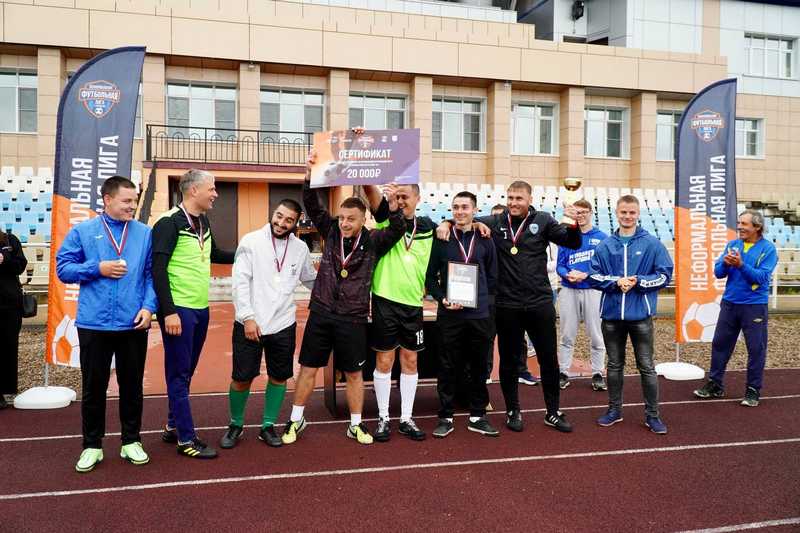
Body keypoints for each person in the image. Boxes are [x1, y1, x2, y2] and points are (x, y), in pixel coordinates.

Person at [281, 150, 405, 446]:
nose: (345, 223)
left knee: (353, 373)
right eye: (342, 218)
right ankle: (296, 419)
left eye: (351, 219)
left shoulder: (375, 242)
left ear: (364, 220)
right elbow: (313, 204)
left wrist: (392, 204)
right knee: (308, 368)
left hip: (353, 317)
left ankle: (356, 424)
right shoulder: (331, 231)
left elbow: (398, 228)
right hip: (322, 312)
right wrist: (309, 176)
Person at [438, 181, 581, 433]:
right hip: (507, 305)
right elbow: (463, 217)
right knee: (508, 361)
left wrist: (573, 222)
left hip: (539, 302)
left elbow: (572, 243)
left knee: (548, 359)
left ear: (529, 199)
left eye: (519, 198)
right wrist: (446, 223)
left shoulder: (544, 220)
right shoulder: (495, 221)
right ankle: (513, 410)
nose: (513, 203)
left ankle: (552, 412)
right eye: (510, 197)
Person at [56, 176, 157, 472]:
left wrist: (149, 307)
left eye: (134, 200)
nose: (132, 206)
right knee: (93, 388)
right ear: (108, 200)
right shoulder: (83, 231)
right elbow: (63, 269)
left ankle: (131, 441)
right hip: (94, 323)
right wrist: (96, 268)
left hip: (132, 324)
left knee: (132, 386)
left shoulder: (144, 233)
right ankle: (92, 445)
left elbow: (151, 275)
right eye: (127, 201)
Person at [219, 199, 317, 449]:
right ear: (273, 213)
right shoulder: (251, 241)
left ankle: (267, 426)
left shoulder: (300, 248)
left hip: (283, 324)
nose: (281, 223)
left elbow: (309, 279)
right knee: (241, 378)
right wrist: (248, 317)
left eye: (288, 220)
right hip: (250, 323)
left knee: (279, 377)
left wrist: (336, 288)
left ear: (296, 223)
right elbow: (240, 282)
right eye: (279, 216)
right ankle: (236, 424)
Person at [152, 169, 234, 459]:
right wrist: (168, 312)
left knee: (186, 371)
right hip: (179, 310)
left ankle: (173, 425)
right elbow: (157, 270)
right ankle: (186, 439)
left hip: (201, 308)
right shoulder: (168, 222)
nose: (215, 194)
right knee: (178, 373)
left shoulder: (203, 221)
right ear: (193, 190)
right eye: (211, 189)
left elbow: (215, 254)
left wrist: (250, 251)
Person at [589, 195, 672, 434]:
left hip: (641, 317)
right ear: (617, 213)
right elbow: (593, 276)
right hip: (612, 317)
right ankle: (614, 410)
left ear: (638, 214)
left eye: (632, 212)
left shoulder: (652, 244)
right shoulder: (605, 245)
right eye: (623, 212)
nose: (627, 216)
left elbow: (664, 275)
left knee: (646, 366)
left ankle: (652, 415)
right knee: (614, 365)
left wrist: (639, 281)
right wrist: (616, 282)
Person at [364, 181, 435, 443]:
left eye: (405, 196)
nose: (401, 200)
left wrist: (450, 223)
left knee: (411, 361)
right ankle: (383, 417)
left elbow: (459, 224)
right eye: (398, 196)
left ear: (418, 199)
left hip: (413, 303)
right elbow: (371, 194)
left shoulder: (428, 226)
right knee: (384, 361)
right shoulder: (387, 217)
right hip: (385, 299)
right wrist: (369, 177)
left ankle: (406, 418)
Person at [426, 191, 499, 438]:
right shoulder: (442, 238)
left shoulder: (485, 238)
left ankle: (477, 415)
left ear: (475, 210)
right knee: (447, 366)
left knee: (479, 367)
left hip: (479, 315)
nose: (460, 211)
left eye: (465, 207)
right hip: (450, 315)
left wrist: (483, 304)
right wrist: (442, 299)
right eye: (455, 207)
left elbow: (493, 276)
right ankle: (445, 416)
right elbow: (430, 278)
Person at [693, 210, 777, 407]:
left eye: (744, 224)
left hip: (754, 306)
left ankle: (753, 389)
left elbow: (761, 278)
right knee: (720, 344)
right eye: (739, 223)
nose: (739, 227)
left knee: (756, 349)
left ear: (757, 227)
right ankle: (715, 384)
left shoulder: (769, 249)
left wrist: (740, 265)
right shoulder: (733, 244)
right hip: (730, 303)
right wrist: (724, 263)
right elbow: (718, 273)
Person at [556, 198, 608, 391]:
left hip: (593, 289)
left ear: (591, 213)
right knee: (567, 334)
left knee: (596, 334)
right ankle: (563, 371)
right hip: (569, 288)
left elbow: (605, 267)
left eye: (584, 212)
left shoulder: (601, 237)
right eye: (577, 212)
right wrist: (567, 274)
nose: (580, 215)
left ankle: (597, 373)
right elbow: (560, 264)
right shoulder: (567, 235)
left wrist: (586, 274)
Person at [0, 229, 28, 410]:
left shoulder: (10, 240)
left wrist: (5, 259)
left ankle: (4, 390)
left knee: (8, 347)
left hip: (10, 305)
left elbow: (20, 266)